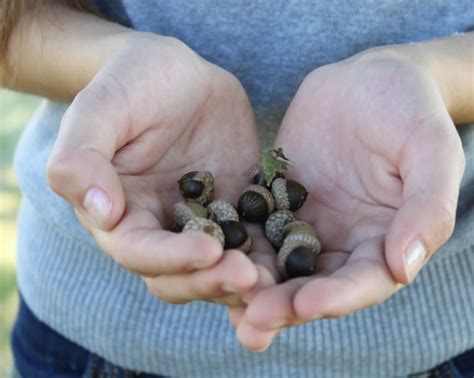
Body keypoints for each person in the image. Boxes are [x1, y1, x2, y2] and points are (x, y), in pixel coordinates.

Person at [2, 0, 473, 376]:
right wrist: (113, 62)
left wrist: (436, 79)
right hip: (85, 328)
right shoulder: (228, 207)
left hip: (446, 335)